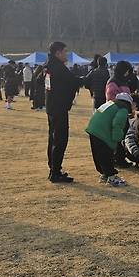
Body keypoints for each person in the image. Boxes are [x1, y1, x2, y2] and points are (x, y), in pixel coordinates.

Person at [45, 41, 81, 183]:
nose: (66, 54)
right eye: (65, 52)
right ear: (58, 53)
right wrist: (87, 80)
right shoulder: (58, 68)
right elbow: (72, 81)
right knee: (60, 139)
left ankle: (54, 168)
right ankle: (55, 172)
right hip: (58, 108)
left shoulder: (48, 66)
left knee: (53, 139)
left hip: (52, 108)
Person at [85, 92, 133, 186]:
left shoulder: (110, 104)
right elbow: (117, 123)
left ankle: (104, 174)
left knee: (98, 155)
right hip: (102, 133)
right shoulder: (122, 109)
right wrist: (117, 139)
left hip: (93, 129)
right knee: (106, 155)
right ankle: (111, 177)